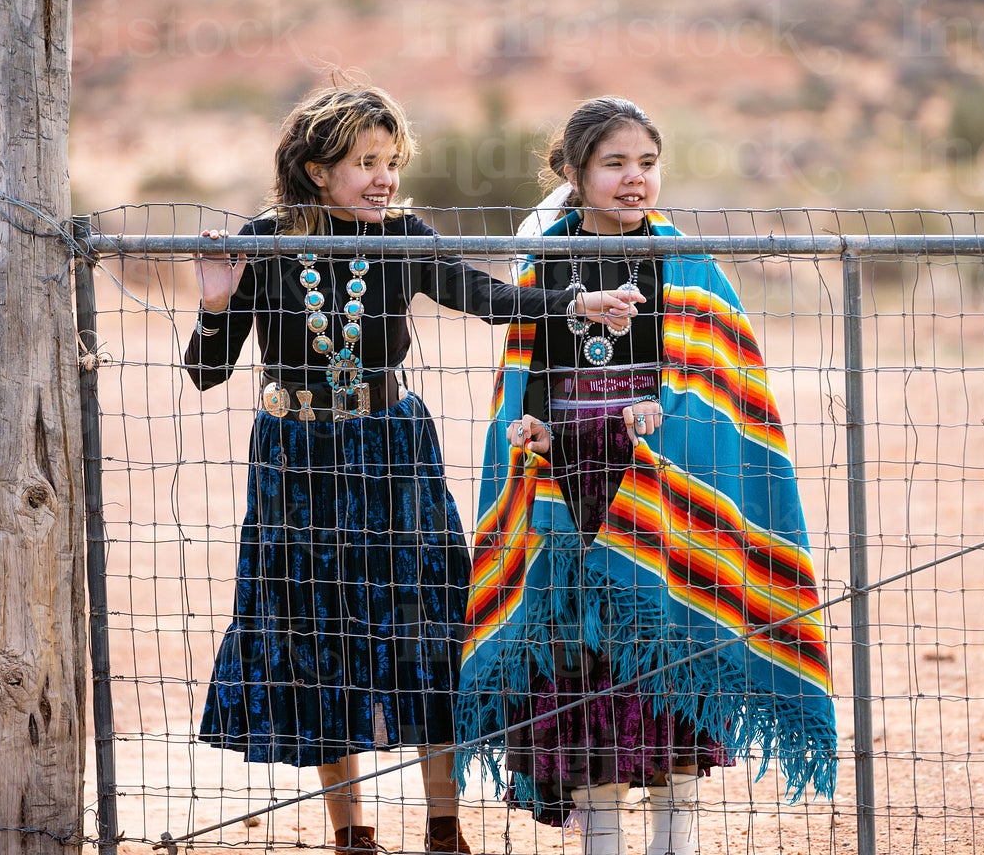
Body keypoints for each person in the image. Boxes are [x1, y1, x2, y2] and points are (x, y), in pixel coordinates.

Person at [183, 84, 643, 855]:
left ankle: (442, 828)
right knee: (318, 632)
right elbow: (204, 372)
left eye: (391, 162)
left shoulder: (404, 236)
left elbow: (492, 299)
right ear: (314, 167)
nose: (383, 178)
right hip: (295, 463)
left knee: (425, 624)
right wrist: (217, 304)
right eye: (365, 162)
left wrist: (578, 302)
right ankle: (352, 835)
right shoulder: (262, 240)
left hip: (394, 452)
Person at [455, 97, 837, 855]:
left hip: (670, 502)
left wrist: (671, 416)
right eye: (615, 164)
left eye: (647, 164)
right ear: (572, 172)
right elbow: (531, 368)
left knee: (673, 694)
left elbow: (721, 388)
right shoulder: (548, 260)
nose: (635, 180)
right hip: (569, 499)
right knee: (584, 691)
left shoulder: (686, 263)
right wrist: (529, 424)